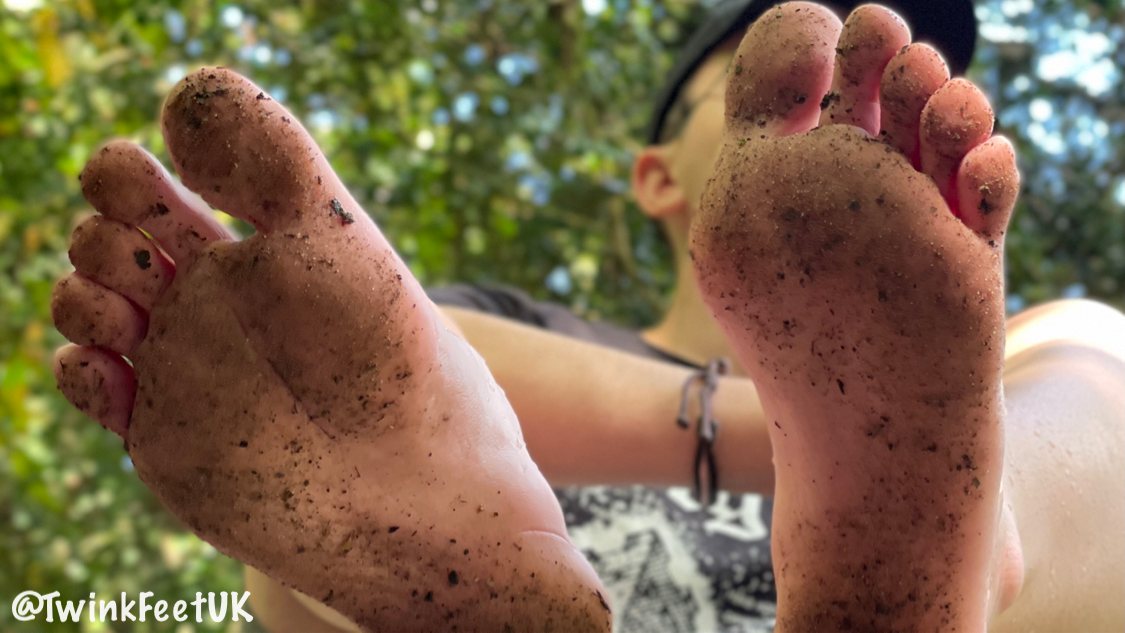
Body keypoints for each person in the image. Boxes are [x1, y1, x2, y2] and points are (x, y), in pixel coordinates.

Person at [49, 1, 1125, 631]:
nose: (866, 91)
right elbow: (378, 359)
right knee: (327, 396)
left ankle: (980, 545)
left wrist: (907, 434)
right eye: (818, 83)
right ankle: (966, 534)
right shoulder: (481, 338)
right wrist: (806, 434)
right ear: (657, 178)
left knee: (1090, 347)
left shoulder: (1002, 372)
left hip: (988, 509)